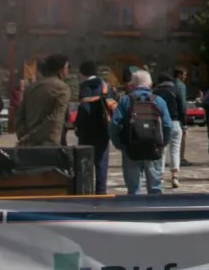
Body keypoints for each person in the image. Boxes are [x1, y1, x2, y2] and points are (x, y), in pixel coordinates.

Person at [109, 69, 171, 195]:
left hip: (131, 149)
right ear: (150, 84)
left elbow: (114, 124)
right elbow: (168, 125)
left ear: (133, 84)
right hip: (153, 149)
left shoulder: (125, 100)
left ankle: (134, 212)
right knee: (155, 189)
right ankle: (155, 211)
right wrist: (162, 143)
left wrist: (119, 144)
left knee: (133, 189)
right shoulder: (159, 101)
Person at [75, 61, 117, 195]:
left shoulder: (83, 88)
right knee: (101, 164)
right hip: (103, 129)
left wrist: (78, 130)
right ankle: (101, 193)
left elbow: (83, 111)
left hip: (86, 132)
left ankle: (86, 192)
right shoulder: (106, 86)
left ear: (82, 73)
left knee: (85, 165)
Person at [16, 54, 71, 146]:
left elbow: (19, 116)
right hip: (49, 142)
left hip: (28, 144)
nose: (68, 70)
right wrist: (33, 135)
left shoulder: (31, 87)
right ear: (61, 69)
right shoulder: (62, 88)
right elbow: (56, 118)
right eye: (67, 67)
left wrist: (24, 136)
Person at [153, 72, 186, 188]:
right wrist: (184, 124)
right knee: (175, 150)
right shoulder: (175, 90)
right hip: (175, 122)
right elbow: (182, 108)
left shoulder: (155, 92)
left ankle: (160, 176)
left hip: (160, 123)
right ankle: (175, 176)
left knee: (161, 149)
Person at [172, 67, 192, 167]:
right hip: (178, 116)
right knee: (181, 138)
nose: (185, 76)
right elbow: (183, 104)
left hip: (169, 114)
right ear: (180, 74)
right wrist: (185, 120)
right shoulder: (181, 86)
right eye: (184, 74)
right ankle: (181, 158)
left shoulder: (170, 84)